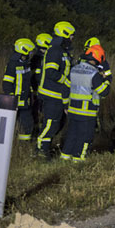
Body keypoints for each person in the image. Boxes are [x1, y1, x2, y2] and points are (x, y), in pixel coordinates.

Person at [61, 45, 111, 161]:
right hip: (87, 112)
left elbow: (65, 88)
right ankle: (79, 161)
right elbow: (103, 92)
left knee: (72, 135)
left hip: (72, 110)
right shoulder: (94, 74)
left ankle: (64, 158)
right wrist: (106, 81)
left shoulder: (74, 69)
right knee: (85, 137)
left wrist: (65, 105)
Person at [37, 21, 75, 159]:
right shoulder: (54, 50)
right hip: (51, 95)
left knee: (57, 125)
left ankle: (47, 149)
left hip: (59, 96)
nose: (72, 39)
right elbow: (51, 73)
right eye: (70, 36)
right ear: (64, 35)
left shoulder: (63, 51)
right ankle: (40, 152)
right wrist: (67, 81)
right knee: (50, 124)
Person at [3, 38, 36, 142]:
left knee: (26, 122)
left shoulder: (25, 63)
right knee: (21, 123)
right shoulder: (13, 64)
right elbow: (7, 83)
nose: (31, 53)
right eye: (29, 51)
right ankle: (22, 144)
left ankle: (23, 144)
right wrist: (12, 98)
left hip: (25, 100)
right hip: (16, 99)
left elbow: (27, 81)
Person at [30, 33, 52, 132]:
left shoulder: (45, 57)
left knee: (42, 110)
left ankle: (40, 129)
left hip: (43, 89)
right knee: (37, 110)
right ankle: (36, 130)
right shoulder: (37, 59)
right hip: (37, 89)